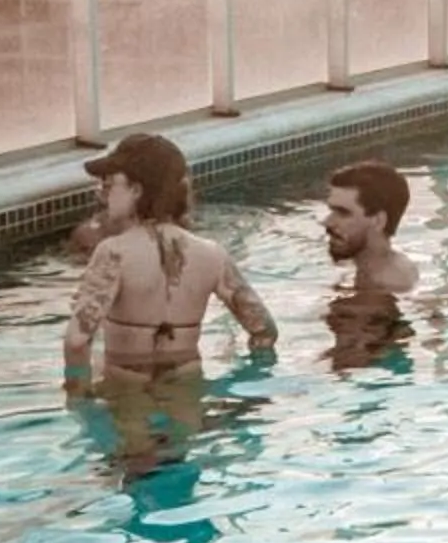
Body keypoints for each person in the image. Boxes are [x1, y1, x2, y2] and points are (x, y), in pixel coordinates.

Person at [63, 132, 277, 382]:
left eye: (109, 184)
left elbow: (77, 342)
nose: (103, 194)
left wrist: (79, 399)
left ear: (135, 190)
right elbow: (265, 331)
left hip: (128, 404)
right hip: (187, 404)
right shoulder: (212, 255)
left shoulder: (113, 253)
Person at [323, 161, 418, 301]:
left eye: (343, 213)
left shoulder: (383, 286)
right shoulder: (375, 266)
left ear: (378, 221)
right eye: (332, 211)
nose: (328, 222)